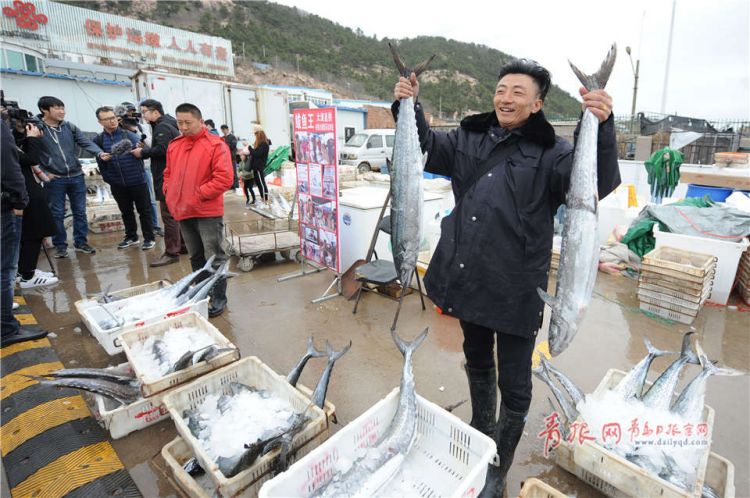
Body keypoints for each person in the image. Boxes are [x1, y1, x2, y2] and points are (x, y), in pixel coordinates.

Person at [392, 58, 620, 497]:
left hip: (516, 287)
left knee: (514, 383)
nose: (506, 98)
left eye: (518, 92)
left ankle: (499, 463)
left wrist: (602, 127)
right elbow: (425, 147)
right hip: (467, 275)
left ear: (537, 104)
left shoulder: (556, 153)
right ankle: (481, 430)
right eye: (501, 90)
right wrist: (408, 105)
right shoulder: (467, 138)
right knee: (476, 358)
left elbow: (598, 182)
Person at [163, 103, 233, 316]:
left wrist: (198, 194)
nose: (183, 127)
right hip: (183, 210)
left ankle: (219, 298)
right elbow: (168, 173)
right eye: (179, 122)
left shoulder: (215, 145)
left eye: (188, 123)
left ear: (200, 121)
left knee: (214, 255)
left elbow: (224, 178)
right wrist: (169, 191)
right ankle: (202, 293)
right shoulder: (174, 145)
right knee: (195, 256)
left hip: (206, 212)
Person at [36, 96, 107, 258]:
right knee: (57, 213)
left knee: (80, 212)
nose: (62, 111)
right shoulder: (37, 129)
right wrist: (44, 173)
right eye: (57, 108)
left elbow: (85, 142)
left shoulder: (69, 127)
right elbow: (29, 152)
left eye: (63, 107)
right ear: (44, 110)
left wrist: (100, 153)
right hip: (54, 179)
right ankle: (60, 245)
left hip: (76, 175)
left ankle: (81, 242)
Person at [1, 119, 47, 346]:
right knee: (4, 268)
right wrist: (19, 199)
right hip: (5, 205)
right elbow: (17, 163)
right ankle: (5, 328)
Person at [93, 106, 155, 250]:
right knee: (126, 211)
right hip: (117, 182)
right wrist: (107, 175)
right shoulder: (99, 140)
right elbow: (99, 160)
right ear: (100, 122)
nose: (112, 121)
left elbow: (144, 152)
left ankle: (149, 238)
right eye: (107, 119)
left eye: (113, 117)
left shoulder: (129, 135)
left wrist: (141, 149)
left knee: (144, 210)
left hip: (137, 180)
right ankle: (131, 237)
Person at [133, 99, 182, 267]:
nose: (143, 116)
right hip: (176, 174)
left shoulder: (162, 126)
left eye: (144, 112)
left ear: (155, 112)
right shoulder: (170, 122)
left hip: (166, 175)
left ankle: (172, 252)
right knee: (177, 213)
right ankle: (182, 245)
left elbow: (163, 150)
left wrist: (143, 152)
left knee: (168, 215)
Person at [10, 116, 58, 288]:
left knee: (27, 235)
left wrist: (22, 134)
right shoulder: (5, 145)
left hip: (23, 191)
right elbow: (32, 159)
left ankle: (23, 271)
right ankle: (27, 275)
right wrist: (31, 138)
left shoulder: (9, 142)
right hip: (25, 192)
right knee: (34, 233)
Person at [117, 103, 162, 236]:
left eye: (133, 112)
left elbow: (150, 144)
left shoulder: (141, 126)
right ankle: (132, 233)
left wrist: (135, 130)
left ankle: (155, 226)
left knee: (150, 200)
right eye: (128, 114)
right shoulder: (117, 129)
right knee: (128, 205)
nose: (131, 115)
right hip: (126, 169)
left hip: (144, 166)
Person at [248, 125, 270, 204]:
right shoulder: (260, 143)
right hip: (256, 167)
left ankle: (265, 199)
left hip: (259, 166)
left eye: (255, 134)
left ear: (259, 134)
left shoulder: (264, 144)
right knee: (259, 183)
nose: (255, 136)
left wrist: (249, 148)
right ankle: (263, 198)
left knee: (261, 183)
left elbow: (257, 154)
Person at [220, 124, 239, 191]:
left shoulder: (232, 137)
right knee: (227, 173)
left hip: (232, 157)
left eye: (224, 129)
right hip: (225, 158)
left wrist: (225, 145)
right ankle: (230, 185)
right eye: (222, 130)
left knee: (234, 172)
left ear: (227, 129)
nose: (223, 131)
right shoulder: (222, 138)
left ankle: (236, 186)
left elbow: (233, 146)